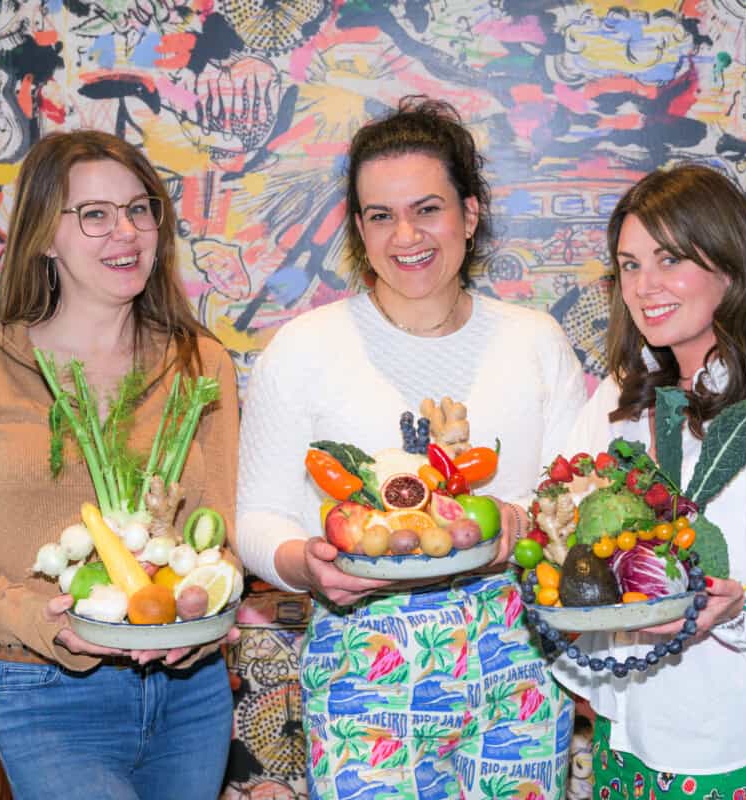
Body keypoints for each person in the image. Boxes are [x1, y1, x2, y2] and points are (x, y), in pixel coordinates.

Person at [235, 96, 587, 799]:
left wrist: (518, 522)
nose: (406, 236)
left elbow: (574, 497)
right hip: (362, 662)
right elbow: (257, 518)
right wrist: (306, 564)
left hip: (514, 662)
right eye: (380, 215)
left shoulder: (534, 342)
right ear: (358, 229)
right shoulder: (303, 351)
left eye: (428, 208)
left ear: (470, 213)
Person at [0, 130, 239, 800]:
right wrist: (43, 621)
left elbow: (223, 537)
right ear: (42, 236)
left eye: (138, 208)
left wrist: (200, 622)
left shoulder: (200, 364)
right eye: (93, 214)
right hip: (46, 692)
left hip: (190, 691)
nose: (124, 232)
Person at [552, 163, 746, 799]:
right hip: (621, 730)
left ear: (730, 266)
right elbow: (565, 547)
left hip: (730, 745)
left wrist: (740, 606)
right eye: (630, 264)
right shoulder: (618, 406)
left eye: (669, 259)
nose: (645, 286)